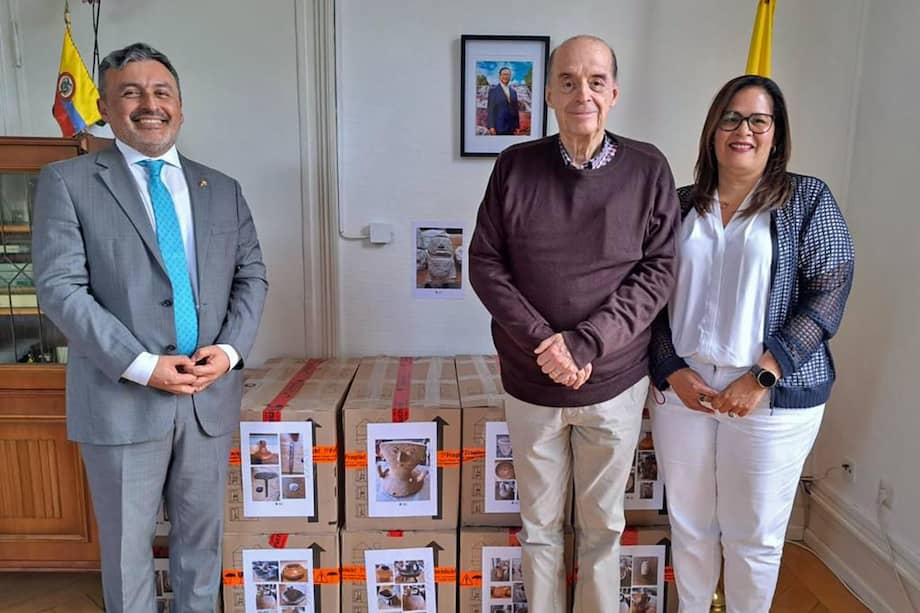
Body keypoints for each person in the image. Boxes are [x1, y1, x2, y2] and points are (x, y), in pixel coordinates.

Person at [32, 42, 268, 613]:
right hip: (121, 399)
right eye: (130, 93)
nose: (149, 104)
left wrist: (231, 351)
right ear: (107, 110)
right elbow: (60, 287)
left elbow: (252, 275)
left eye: (161, 92)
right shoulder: (67, 181)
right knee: (125, 553)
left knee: (200, 548)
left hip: (206, 399)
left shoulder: (222, 188)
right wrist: (142, 366)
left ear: (180, 106)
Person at [469, 35, 679, 612]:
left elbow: (659, 271)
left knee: (602, 529)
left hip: (612, 380)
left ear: (613, 92)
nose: (580, 91)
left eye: (594, 81)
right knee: (537, 528)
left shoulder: (647, 167)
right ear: (548, 95)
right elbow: (485, 264)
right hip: (531, 382)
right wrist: (545, 343)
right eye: (567, 80)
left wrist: (585, 343)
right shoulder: (514, 166)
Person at [649, 74, 854, 613]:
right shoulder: (678, 203)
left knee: (754, 536)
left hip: (771, 396)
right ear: (712, 129)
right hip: (684, 391)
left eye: (758, 120)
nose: (744, 130)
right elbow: (646, 293)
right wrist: (670, 368)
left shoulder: (807, 199)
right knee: (689, 526)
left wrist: (763, 373)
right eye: (731, 118)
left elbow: (829, 291)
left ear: (776, 133)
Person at [486, 66, 520, 135]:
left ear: (510, 77)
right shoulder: (493, 91)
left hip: (511, 127)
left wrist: (517, 126)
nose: (506, 76)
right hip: (499, 127)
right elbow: (490, 109)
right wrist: (491, 126)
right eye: (504, 74)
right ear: (499, 76)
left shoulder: (513, 92)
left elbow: (515, 110)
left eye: (508, 75)